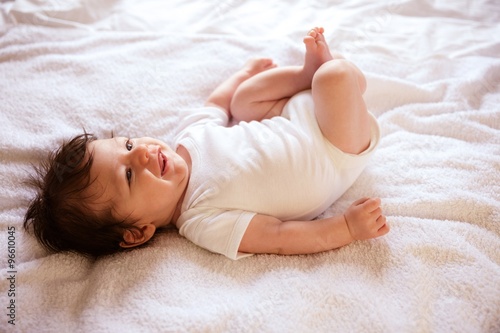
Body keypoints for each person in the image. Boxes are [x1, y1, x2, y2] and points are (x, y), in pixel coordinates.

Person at [24, 27, 389, 260]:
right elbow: (279, 236)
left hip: (293, 117)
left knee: (242, 101)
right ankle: (326, 80)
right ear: (138, 232)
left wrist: (243, 75)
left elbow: (216, 104)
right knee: (337, 75)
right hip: (335, 147)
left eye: (129, 145)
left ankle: (304, 76)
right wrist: (345, 229)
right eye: (130, 176)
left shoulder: (187, 139)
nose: (144, 154)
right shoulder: (202, 219)